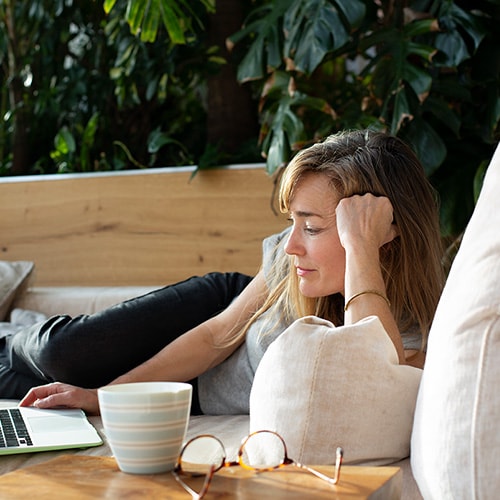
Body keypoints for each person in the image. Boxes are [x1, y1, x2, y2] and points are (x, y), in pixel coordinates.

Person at [3, 129, 444, 416]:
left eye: (311, 227)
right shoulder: (287, 265)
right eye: (292, 222)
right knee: (63, 354)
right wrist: (109, 398)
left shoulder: (414, 334)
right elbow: (218, 335)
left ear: (385, 233)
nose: (288, 245)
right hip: (214, 311)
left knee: (42, 396)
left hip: (199, 394)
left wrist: (361, 250)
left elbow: (368, 384)